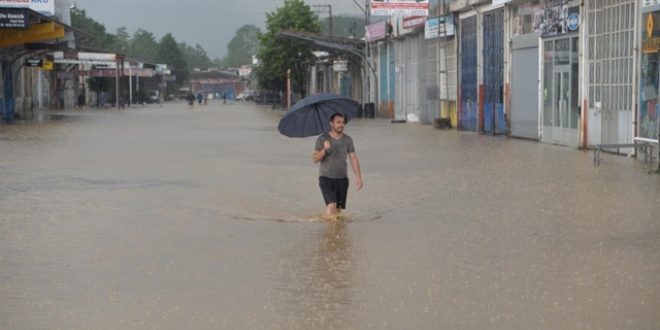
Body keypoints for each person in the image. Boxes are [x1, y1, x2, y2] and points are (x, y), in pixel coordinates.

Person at [312, 113, 363, 218]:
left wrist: (358, 177)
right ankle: (328, 233)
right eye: (338, 122)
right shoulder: (322, 139)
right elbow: (315, 159)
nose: (341, 125)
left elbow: (353, 158)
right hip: (326, 177)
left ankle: (337, 232)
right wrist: (324, 150)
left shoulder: (348, 140)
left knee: (338, 212)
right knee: (331, 206)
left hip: (342, 178)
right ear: (331, 123)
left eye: (343, 122)